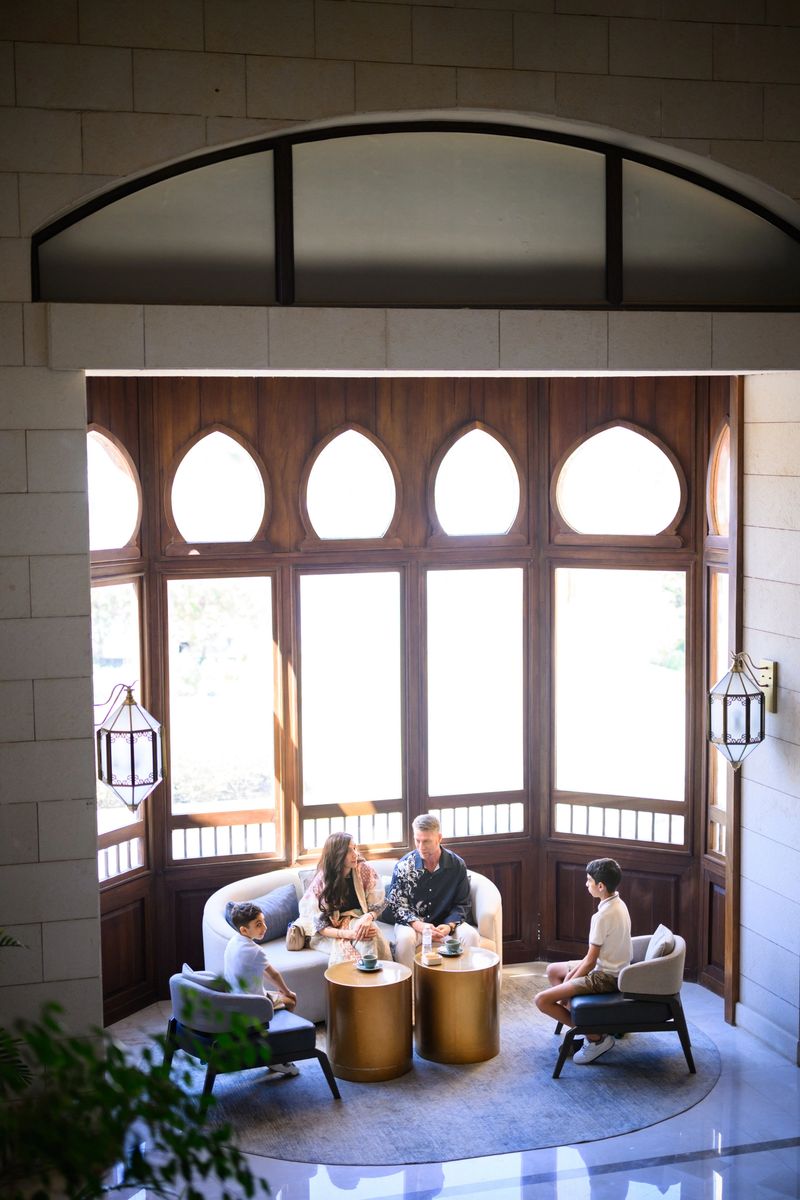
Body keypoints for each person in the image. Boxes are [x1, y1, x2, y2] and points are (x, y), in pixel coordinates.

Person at [534, 857, 632, 1064]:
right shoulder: (618, 903)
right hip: (612, 968)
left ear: (600, 886)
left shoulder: (602, 916)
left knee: (542, 1000)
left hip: (606, 976)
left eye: (588, 880)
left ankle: (595, 1037)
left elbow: (590, 962)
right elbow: (590, 958)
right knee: (553, 970)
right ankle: (582, 1017)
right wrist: (569, 981)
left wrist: (569, 983)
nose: (586, 884)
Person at [386, 813, 480, 970]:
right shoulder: (403, 866)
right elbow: (397, 906)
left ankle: (465, 989)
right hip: (412, 924)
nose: (421, 847)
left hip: (446, 923)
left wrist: (449, 926)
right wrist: (419, 926)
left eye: (427, 841)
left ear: (439, 838)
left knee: (471, 936)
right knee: (404, 939)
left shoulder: (457, 865)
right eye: (417, 840)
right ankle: (410, 991)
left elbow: (462, 903)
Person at [223, 900, 299, 1077]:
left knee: (277, 994)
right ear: (244, 930)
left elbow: (258, 970)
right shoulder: (255, 950)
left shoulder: (233, 942)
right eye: (258, 925)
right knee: (291, 1001)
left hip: (234, 999)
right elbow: (273, 975)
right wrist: (287, 992)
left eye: (263, 921)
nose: (264, 927)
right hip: (253, 1006)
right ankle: (277, 1056)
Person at [298, 831, 391, 965]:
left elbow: (378, 904)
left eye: (354, 848)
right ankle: (374, 980)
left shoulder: (363, 870)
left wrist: (369, 916)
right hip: (332, 931)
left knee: (369, 932)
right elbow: (319, 927)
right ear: (337, 854)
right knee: (367, 937)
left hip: (359, 921)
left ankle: (370, 980)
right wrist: (350, 934)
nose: (355, 854)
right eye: (348, 851)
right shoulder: (322, 881)